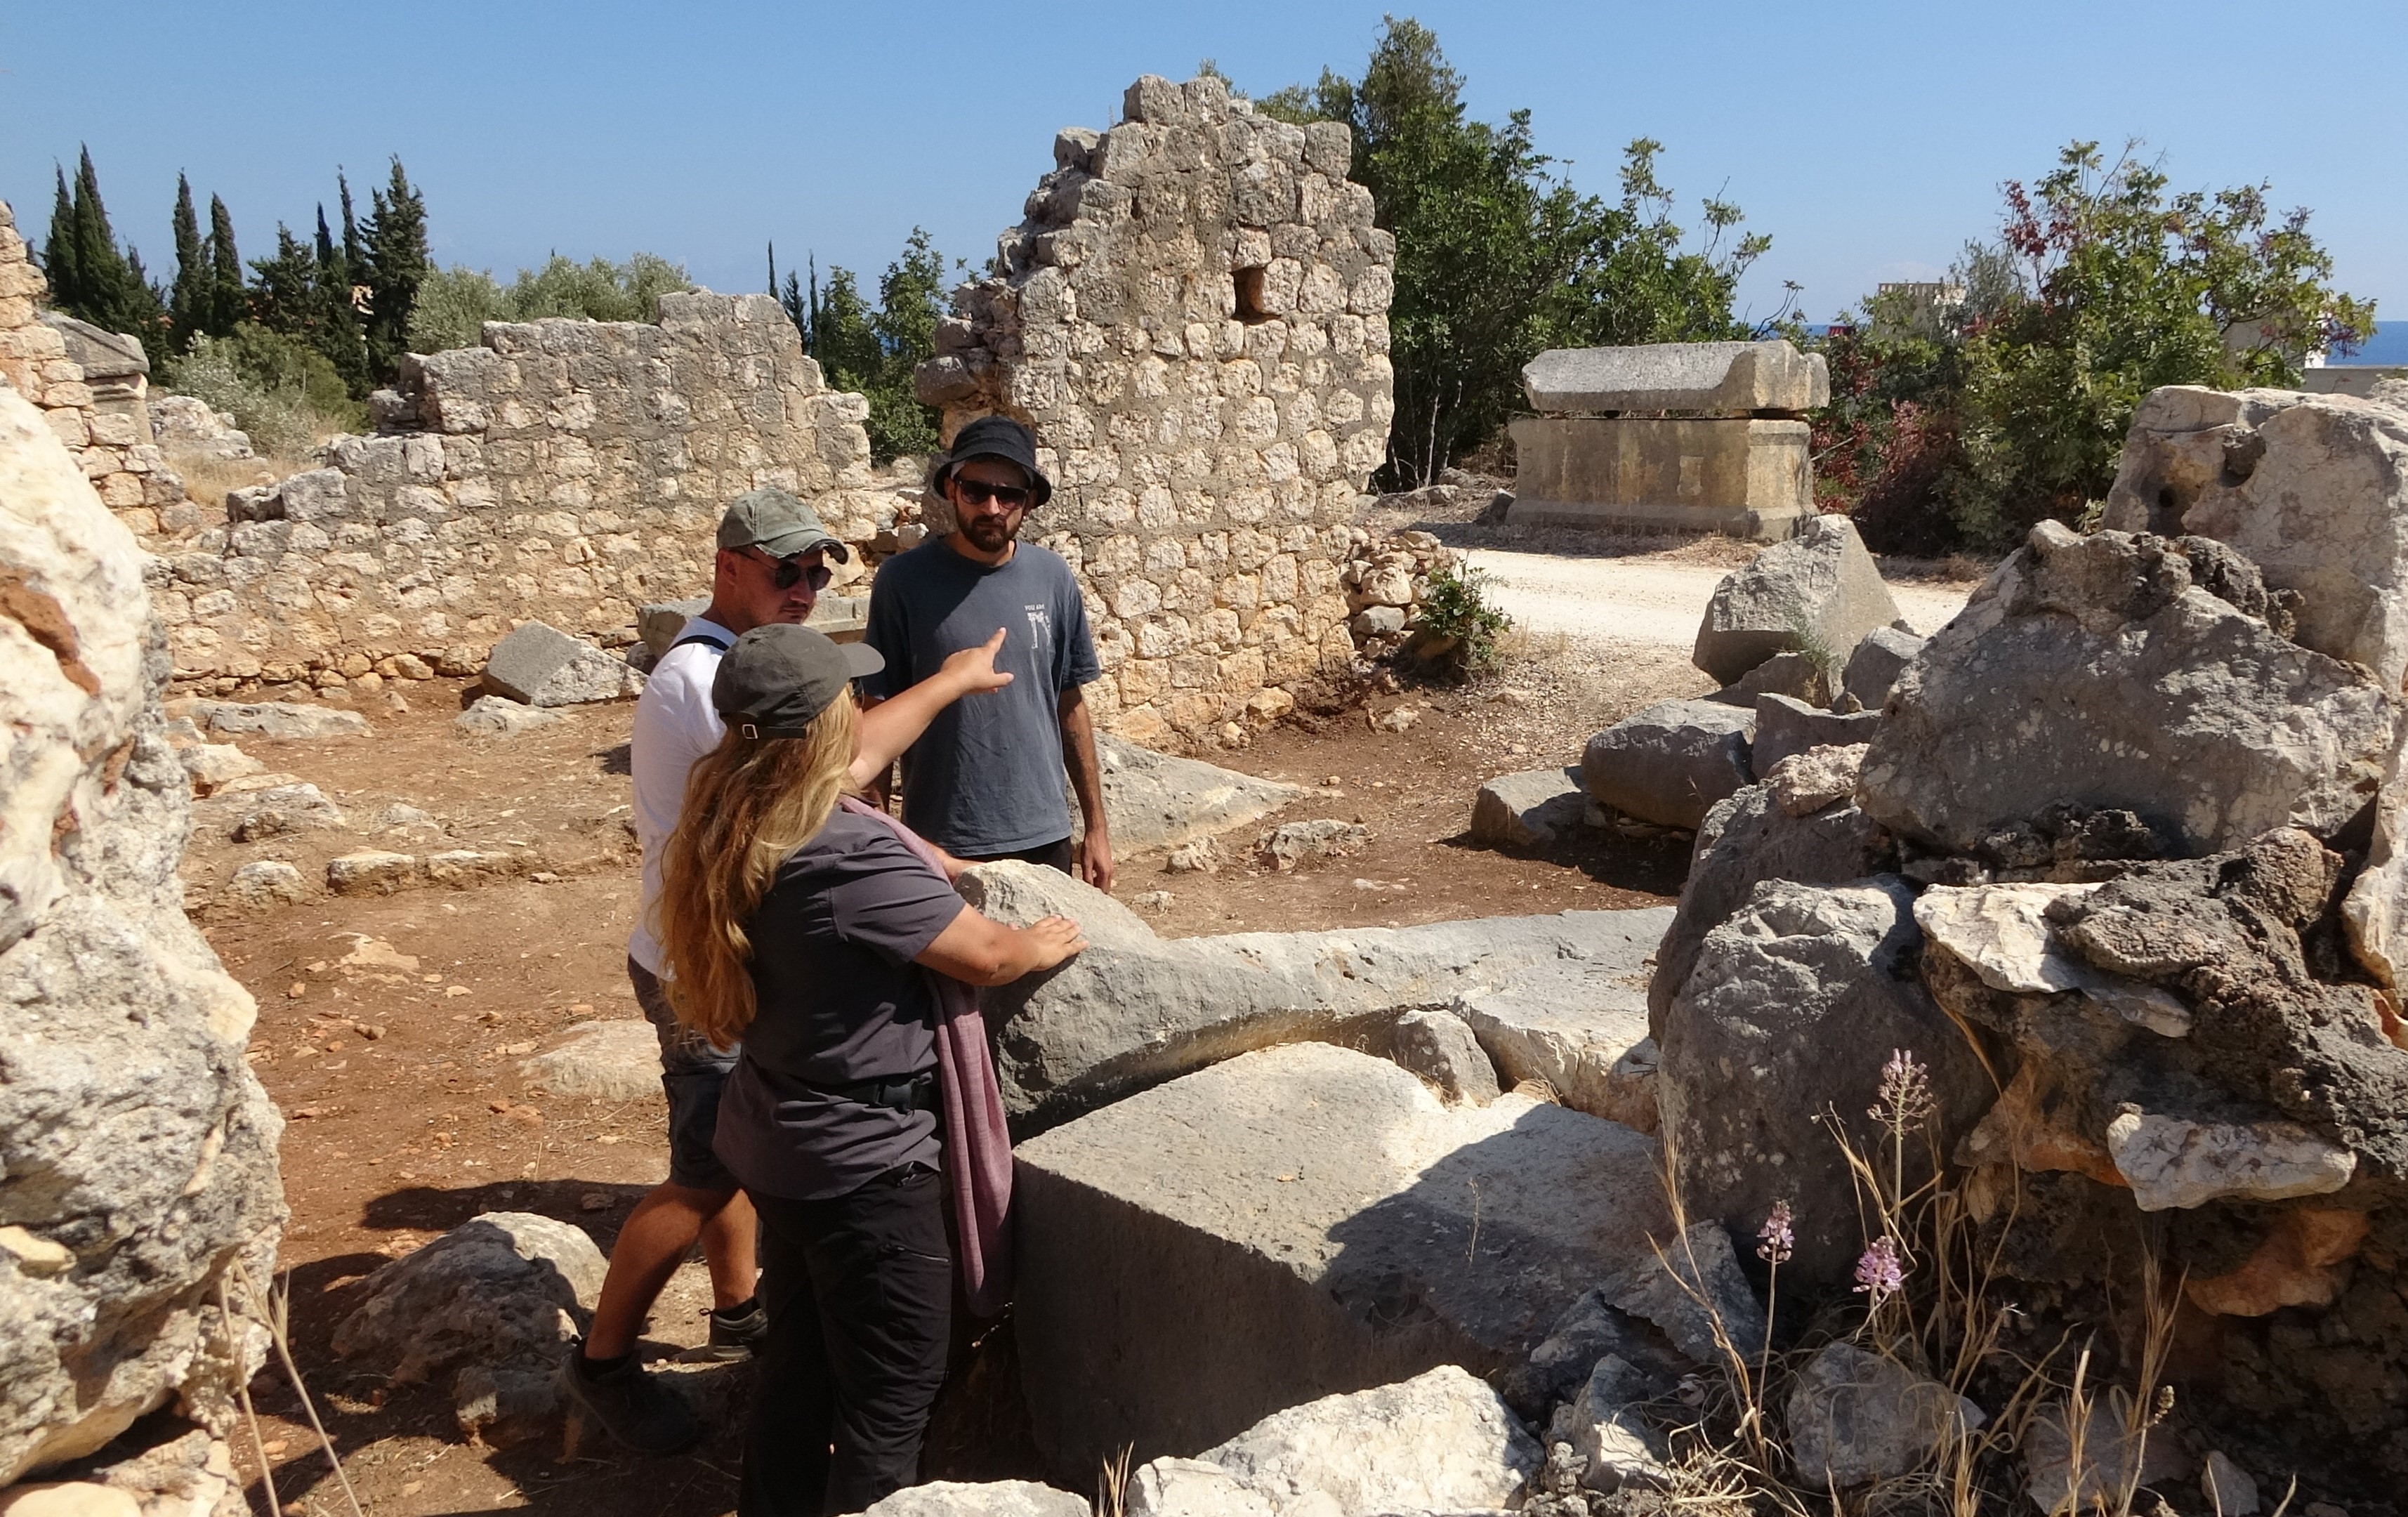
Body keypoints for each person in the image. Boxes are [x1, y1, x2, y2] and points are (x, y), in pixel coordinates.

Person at [565, 487, 1013, 1454]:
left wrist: (945, 687)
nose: (807, 587)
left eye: (819, 571)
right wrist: (944, 691)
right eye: (787, 572)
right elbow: (835, 772)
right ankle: (602, 1363)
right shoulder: (702, 680)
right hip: (704, 963)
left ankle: (739, 1315)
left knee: (739, 1141)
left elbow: (827, 775)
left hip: (723, 944)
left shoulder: (737, 665)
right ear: (728, 567)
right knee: (703, 1169)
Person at [656, 622, 1086, 1517]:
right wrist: (1038, 942)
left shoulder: (730, 810)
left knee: (799, 1363)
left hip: (780, 1140)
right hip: (866, 1164)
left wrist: (954, 680)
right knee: (892, 1398)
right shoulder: (847, 855)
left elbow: (855, 763)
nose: (860, 711)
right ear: (820, 726)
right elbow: (984, 958)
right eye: (848, 699)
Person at [863, 416, 1114, 891]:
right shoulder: (903, 582)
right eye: (976, 491)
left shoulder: (1053, 578)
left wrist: (1096, 828)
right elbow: (877, 705)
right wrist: (877, 836)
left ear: (1030, 502)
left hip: (1043, 834)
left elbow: (1069, 702)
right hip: (942, 837)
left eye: (1010, 495)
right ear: (952, 489)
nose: (993, 508)